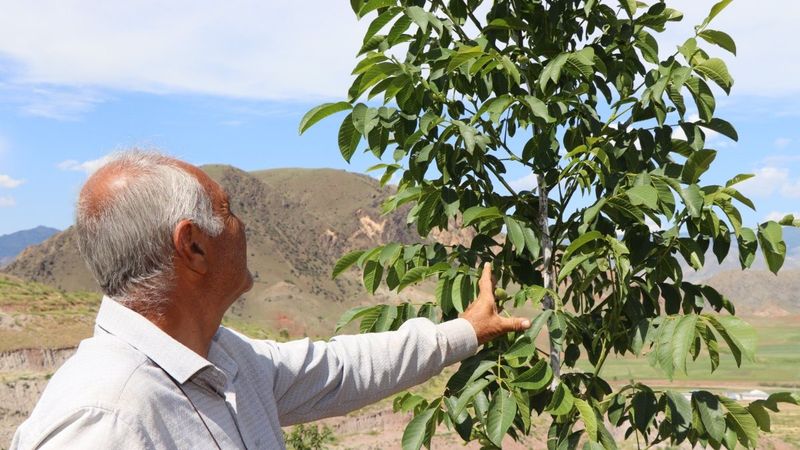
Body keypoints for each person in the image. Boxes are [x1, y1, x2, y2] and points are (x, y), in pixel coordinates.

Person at [11, 151, 531, 449]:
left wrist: (466, 331)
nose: (244, 226)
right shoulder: (106, 418)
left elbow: (341, 369)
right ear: (192, 246)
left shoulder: (225, 360)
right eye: (229, 211)